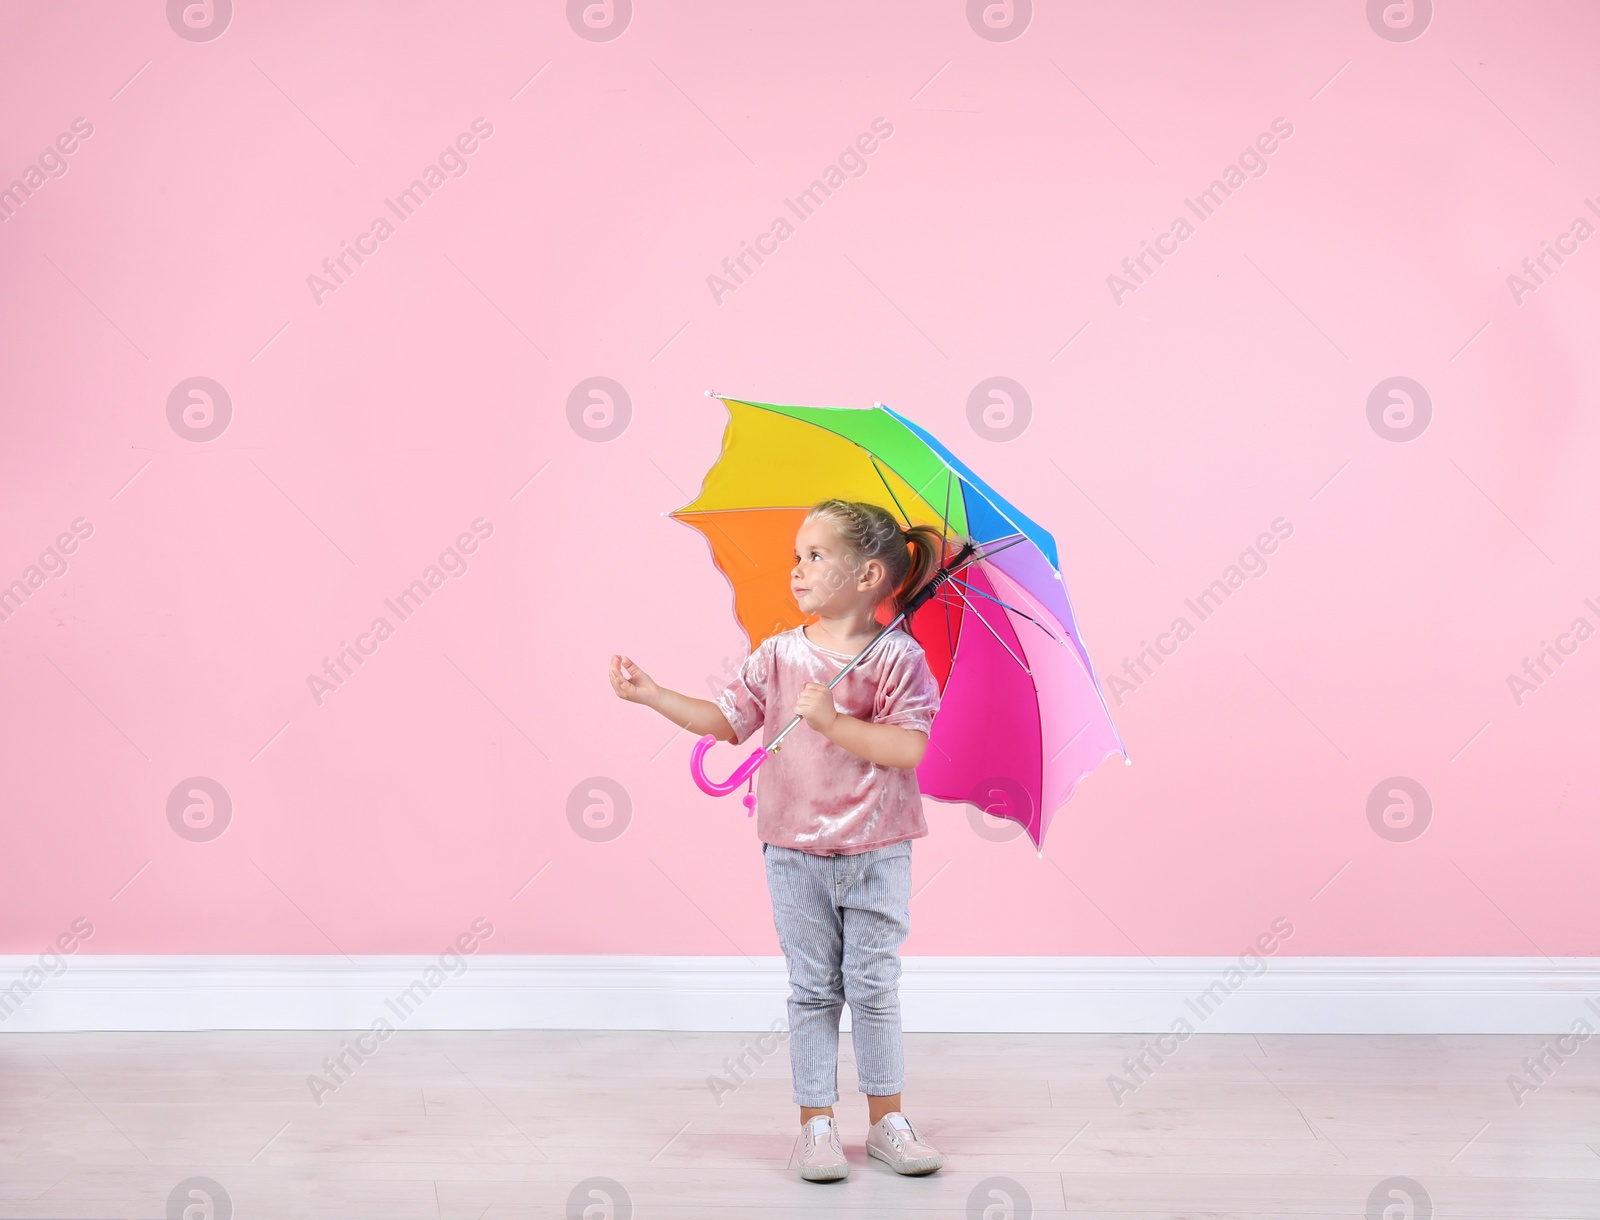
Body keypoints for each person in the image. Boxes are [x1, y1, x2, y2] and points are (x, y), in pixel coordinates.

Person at [609, 498, 958, 1182]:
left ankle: (887, 1120)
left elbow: (909, 749)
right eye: (798, 555)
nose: (796, 568)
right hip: (792, 850)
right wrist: (654, 695)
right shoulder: (778, 655)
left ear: (868, 577)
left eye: (815, 556)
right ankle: (817, 1126)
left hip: (877, 848)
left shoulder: (900, 659)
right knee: (812, 990)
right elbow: (727, 721)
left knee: (874, 986)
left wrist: (830, 722)